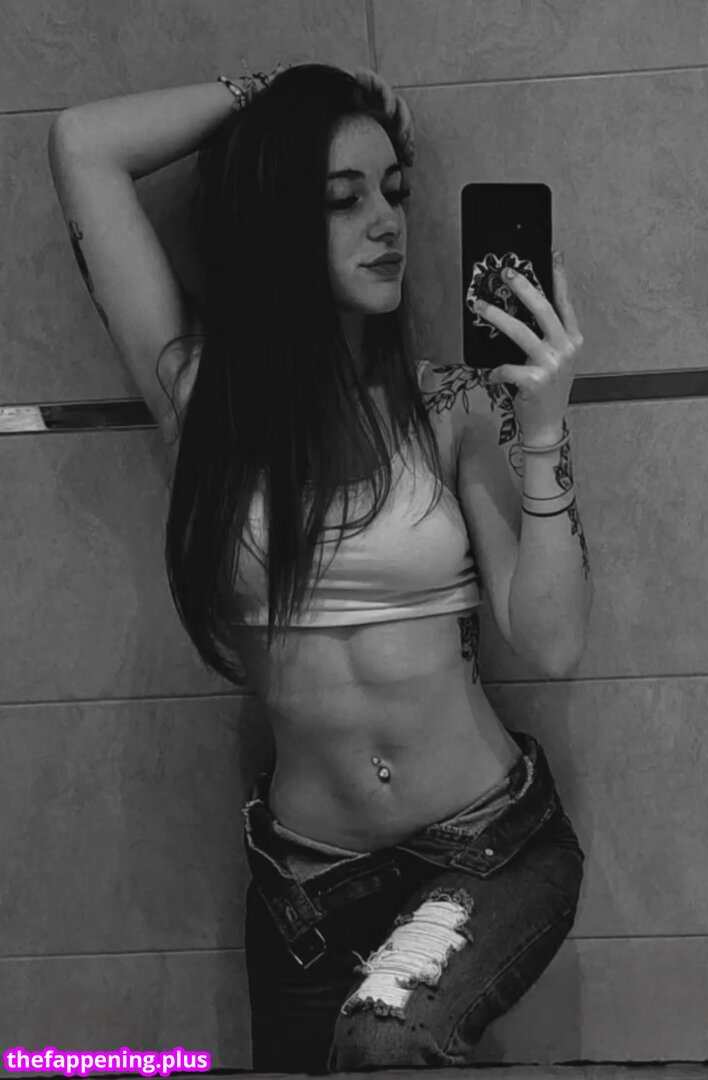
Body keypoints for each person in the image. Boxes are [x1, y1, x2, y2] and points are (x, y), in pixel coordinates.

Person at [49, 61, 593, 1073]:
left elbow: (552, 643)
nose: (386, 223)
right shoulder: (204, 400)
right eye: (342, 200)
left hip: (488, 846)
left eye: (394, 191)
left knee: (381, 1044)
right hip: (308, 885)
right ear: (272, 223)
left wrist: (545, 428)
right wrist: (284, 89)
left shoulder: (450, 403)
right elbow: (84, 144)